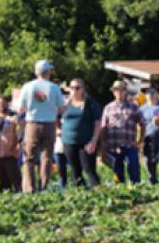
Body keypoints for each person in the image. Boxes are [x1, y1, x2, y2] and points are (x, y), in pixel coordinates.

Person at [18, 60, 66, 193]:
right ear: (48, 72)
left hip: (32, 124)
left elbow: (21, 109)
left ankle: (29, 188)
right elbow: (62, 110)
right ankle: (43, 187)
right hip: (49, 124)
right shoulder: (54, 88)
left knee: (29, 158)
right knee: (47, 158)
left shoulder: (28, 86)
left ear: (36, 72)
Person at [102, 80, 146, 184]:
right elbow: (103, 127)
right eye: (116, 89)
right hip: (114, 146)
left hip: (130, 145)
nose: (119, 92)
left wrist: (140, 141)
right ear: (113, 92)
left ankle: (137, 192)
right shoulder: (108, 108)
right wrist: (104, 145)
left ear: (126, 91)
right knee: (117, 173)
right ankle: (120, 194)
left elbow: (143, 123)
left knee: (134, 170)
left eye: (122, 89)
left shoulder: (133, 107)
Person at [61, 78, 103, 188]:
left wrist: (94, 140)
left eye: (77, 88)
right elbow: (56, 115)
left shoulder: (90, 102)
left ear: (83, 89)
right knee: (75, 171)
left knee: (89, 169)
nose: (74, 90)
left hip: (86, 142)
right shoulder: (65, 102)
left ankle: (99, 192)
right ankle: (79, 194)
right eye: (72, 87)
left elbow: (98, 122)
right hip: (69, 141)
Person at [139, 88, 159, 184]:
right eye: (148, 93)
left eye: (153, 93)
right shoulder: (141, 109)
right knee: (149, 161)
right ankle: (152, 182)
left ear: (158, 94)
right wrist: (140, 140)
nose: (150, 95)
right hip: (148, 139)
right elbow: (139, 126)